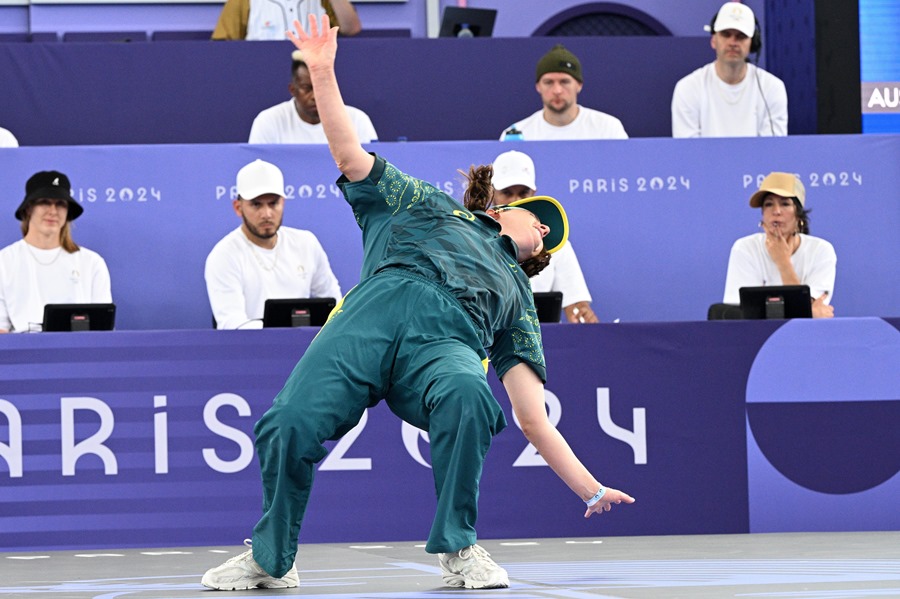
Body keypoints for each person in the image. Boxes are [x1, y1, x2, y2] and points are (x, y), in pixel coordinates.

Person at [202, 15, 634, 592]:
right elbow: (348, 153)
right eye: (536, 213)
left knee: (468, 395)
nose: (540, 225)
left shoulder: (517, 295)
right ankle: (270, 557)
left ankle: (459, 548)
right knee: (286, 424)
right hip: (369, 317)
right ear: (500, 210)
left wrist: (590, 487)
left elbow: (532, 415)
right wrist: (324, 70)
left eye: (548, 234)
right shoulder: (429, 206)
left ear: (538, 254)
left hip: (447, 344)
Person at [205, 158, 341, 329]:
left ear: (282, 203)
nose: (267, 214)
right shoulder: (223, 256)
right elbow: (231, 324)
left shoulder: (306, 243)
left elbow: (336, 307)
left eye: (273, 203)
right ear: (238, 207)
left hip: (309, 349)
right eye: (256, 205)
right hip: (251, 351)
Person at [491, 150, 598, 323]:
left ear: (533, 193)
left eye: (523, 193)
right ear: (492, 193)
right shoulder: (474, 240)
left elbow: (578, 307)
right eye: (507, 193)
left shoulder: (557, 245)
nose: (515, 201)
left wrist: (582, 316)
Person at [0, 171, 111, 333]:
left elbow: (103, 328)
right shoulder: (4, 262)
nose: (53, 211)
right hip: (23, 354)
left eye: (60, 204)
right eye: (44, 202)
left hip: (80, 352)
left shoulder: (92, 263)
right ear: (29, 209)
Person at [723, 172, 835, 318]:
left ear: (798, 215)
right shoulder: (744, 248)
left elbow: (803, 319)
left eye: (785, 204)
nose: (776, 211)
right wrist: (808, 311)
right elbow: (740, 315)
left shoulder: (821, 250)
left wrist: (783, 262)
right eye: (769, 204)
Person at [671, 2, 787, 138]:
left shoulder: (772, 88)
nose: (733, 42)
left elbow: (773, 150)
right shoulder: (688, 88)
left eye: (741, 36)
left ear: (752, 43)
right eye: (726, 34)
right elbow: (687, 150)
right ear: (714, 40)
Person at [500, 43, 628, 141]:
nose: (557, 90)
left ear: (579, 85)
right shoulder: (516, 134)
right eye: (548, 82)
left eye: (565, 82)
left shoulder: (608, 128)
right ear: (538, 87)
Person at [248, 51, 377, 144]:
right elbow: (258, 173)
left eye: (322, 88)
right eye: (307, 88)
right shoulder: (268, 121)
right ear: (293, 90)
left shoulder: (357, 120)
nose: (316, 96)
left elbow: (374, 176)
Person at [212, 0, 360, 41]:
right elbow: (222, 48)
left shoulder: (324, 2)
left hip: (315, 81)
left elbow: (351, 28)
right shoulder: (242, 1)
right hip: (260, 77)